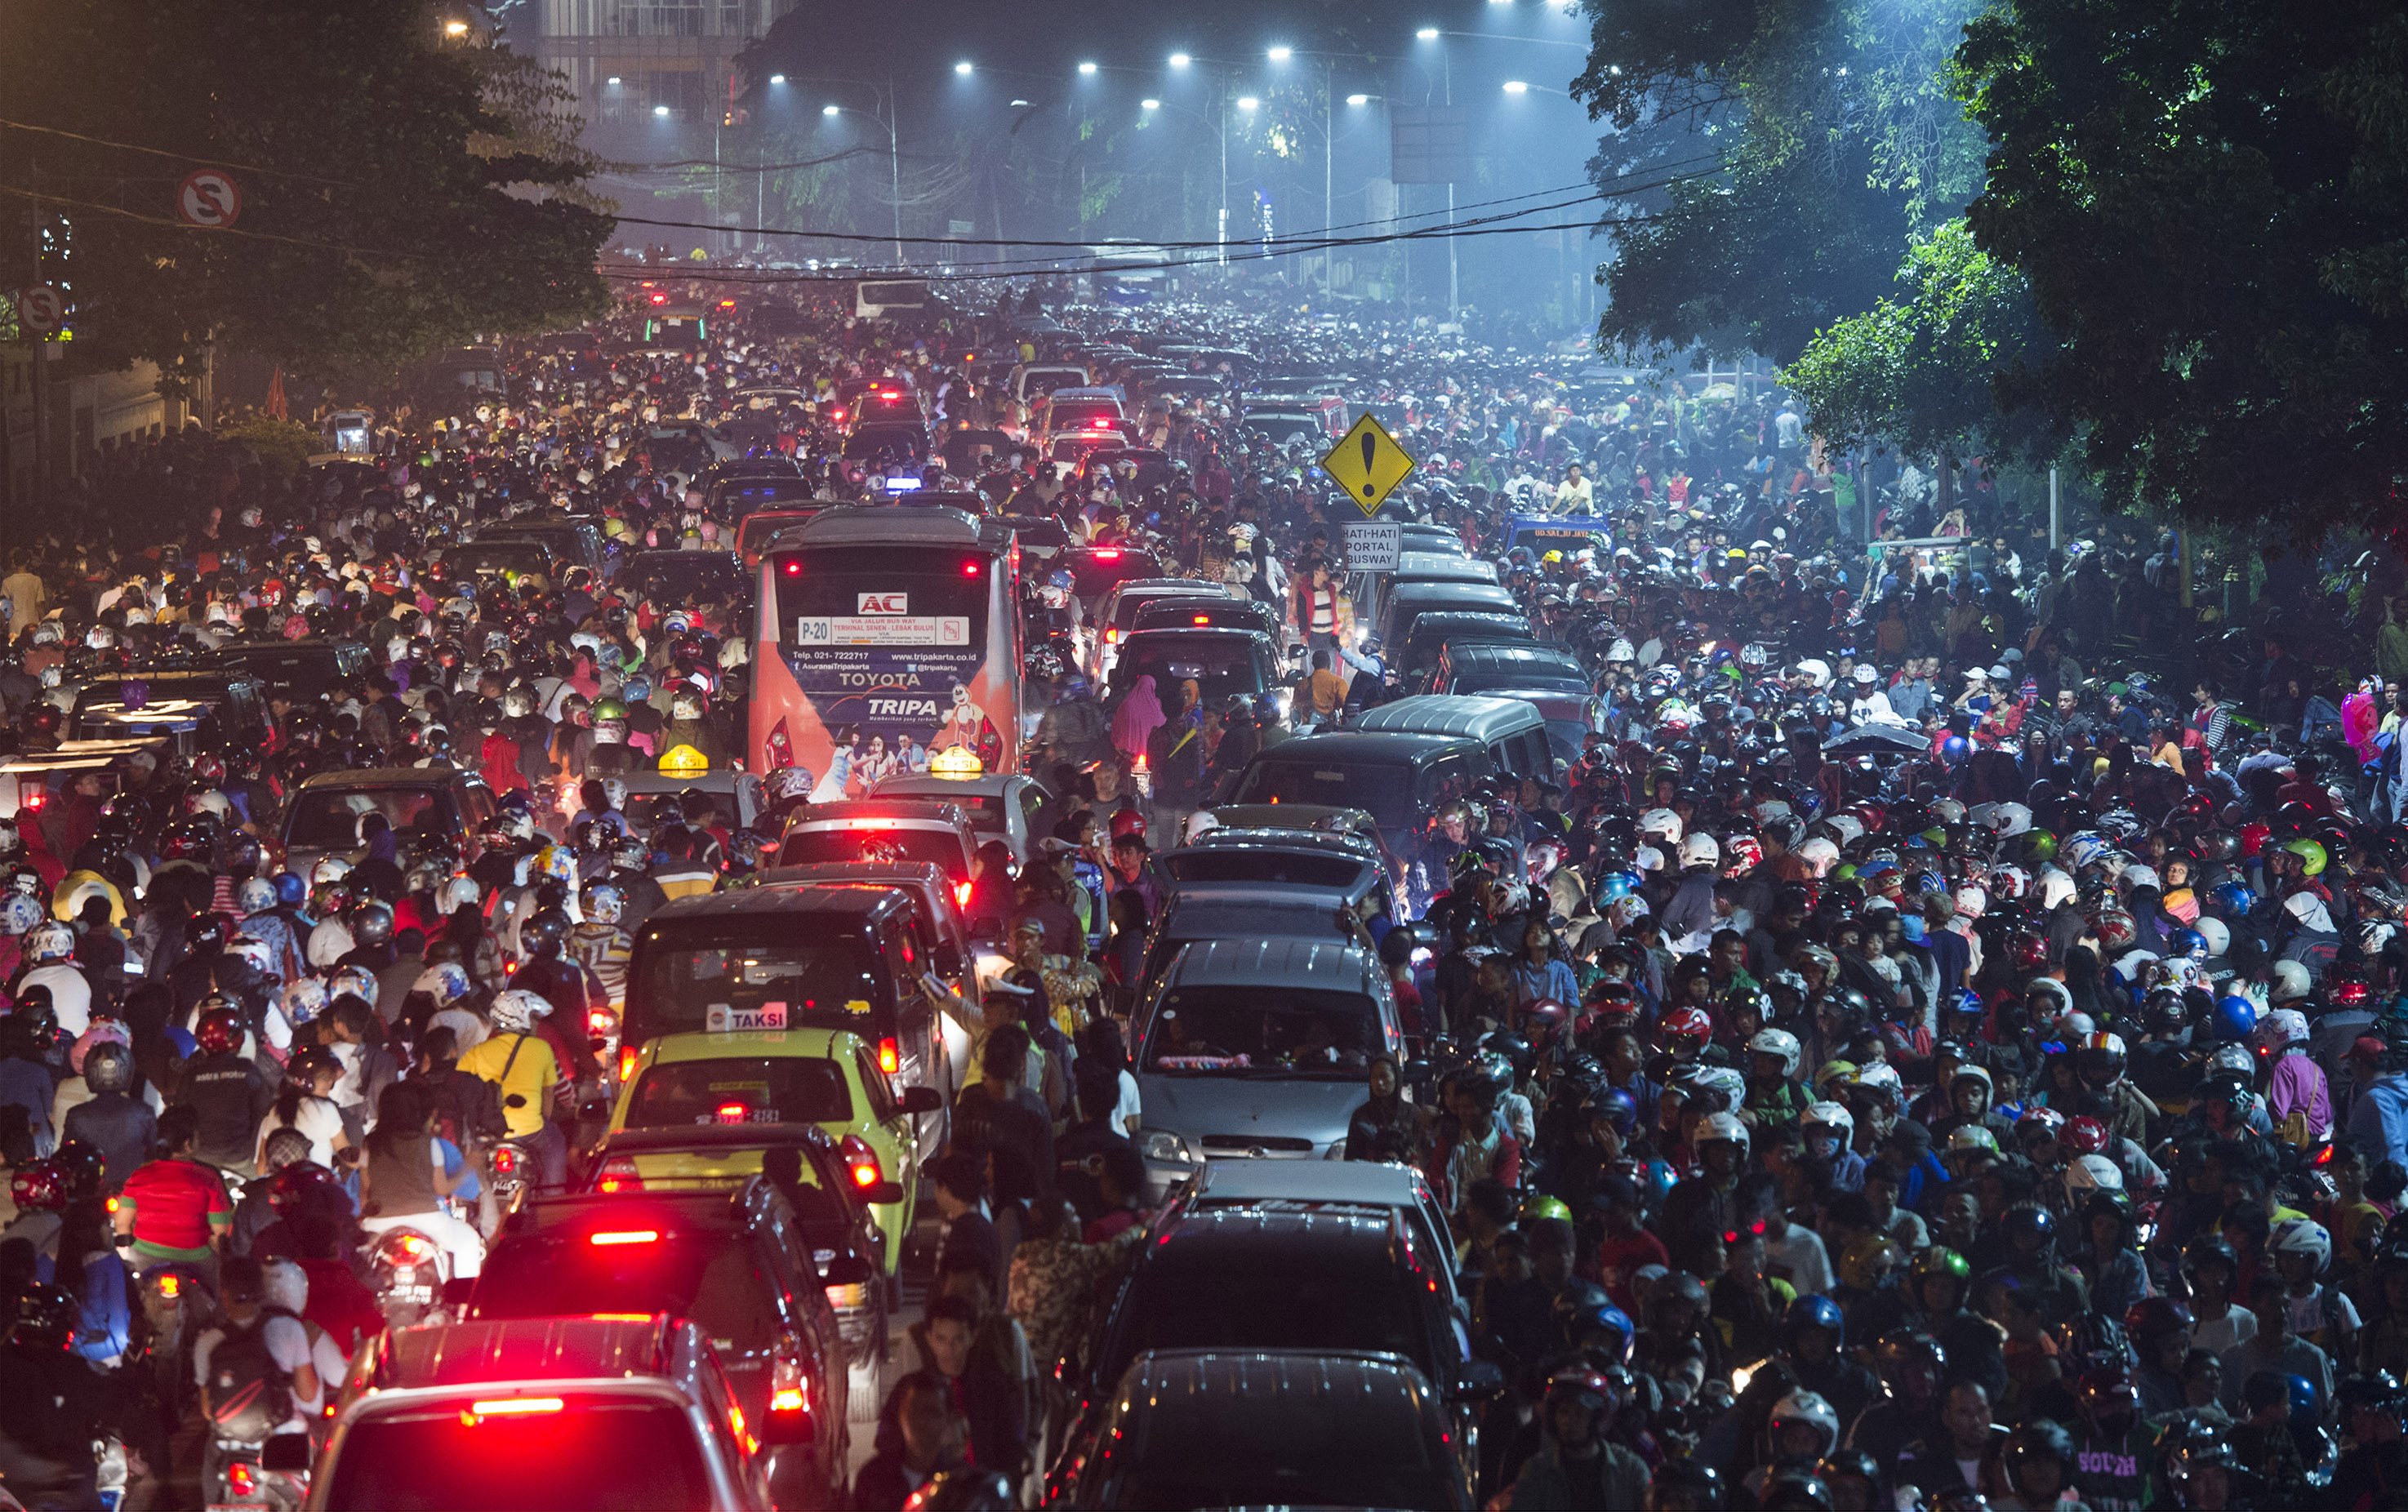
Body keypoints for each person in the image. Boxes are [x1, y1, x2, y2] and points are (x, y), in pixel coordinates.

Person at [355, 1080, 483, 1279]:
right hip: (429, 1221)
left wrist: (365, 1219)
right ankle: (463, 1302)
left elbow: (365, 1190)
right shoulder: (429, 1144)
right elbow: (441, 1189)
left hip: (378, 1225)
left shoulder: (371, 1144)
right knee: (469, 1240)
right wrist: (468, 1167)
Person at [113, 1104, 231, 1278]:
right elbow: (222, 1231)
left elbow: (122, 1223)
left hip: (145, 1259)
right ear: (187, 1144)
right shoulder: (208, 1177)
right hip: (196, 1260)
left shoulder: (139, 1175)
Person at [853, 1374, 969, 1512]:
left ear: (947, 1418)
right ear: (899, 1415)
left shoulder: (962, 1482)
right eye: (914, 1411)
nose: (922, 1422)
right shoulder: (873, 1479)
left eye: (932, 1412)